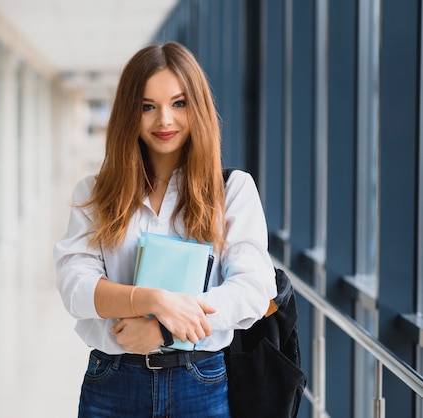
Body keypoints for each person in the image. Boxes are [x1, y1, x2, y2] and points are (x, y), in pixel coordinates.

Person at [54, 41, 277, 418]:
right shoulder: (94, 192)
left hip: (200, 382)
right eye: (147, 107)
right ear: (129, 112)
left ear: (198, 108)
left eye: (178, 103)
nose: (164, 121)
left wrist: (165, 332)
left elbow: (253, 290)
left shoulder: (232, 190)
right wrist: (152, 300)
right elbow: (75, 287)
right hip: (113, 383)